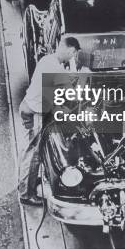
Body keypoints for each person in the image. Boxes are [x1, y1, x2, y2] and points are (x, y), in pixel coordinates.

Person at [18, 37, 81, 206]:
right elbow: (73, 95)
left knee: (30, 151)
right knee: (33, 155)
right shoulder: (56, 68)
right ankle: (26, 194)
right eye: (74, 53)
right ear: (71, 51)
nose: (73, 56)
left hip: (27, 106)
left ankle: (28, 182)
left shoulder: (47, 60)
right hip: (36, 113)